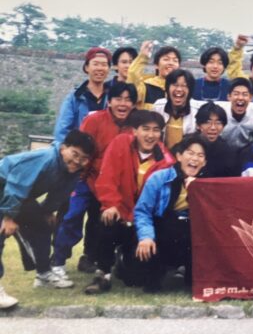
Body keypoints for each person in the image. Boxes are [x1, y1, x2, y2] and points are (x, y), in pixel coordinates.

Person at [0, 130, 95, 308]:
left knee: (43, 226)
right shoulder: (45, 158)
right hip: (6, 188)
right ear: (63, 148)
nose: (77, 161)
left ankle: (43, 274)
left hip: (19, 196)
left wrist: (47, 211)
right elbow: (16, 185)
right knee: (1, 233)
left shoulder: (73, 170)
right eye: (75, 154)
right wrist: (8, 217)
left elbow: (59, 194)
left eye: (83, 158)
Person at [52, 82, 138, 278]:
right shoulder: (94, 120)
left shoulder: (136, 126)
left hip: (115, 185)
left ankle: (95, 259)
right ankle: (57, 261)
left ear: (134, 104)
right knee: (72, 216)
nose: (123, 104)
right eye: (118, 99)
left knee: (105, 222)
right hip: (87, 178)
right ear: (110, 101)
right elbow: (82, 150)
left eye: (128, 100)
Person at [87, 110, 174, 294]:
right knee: (107, 219)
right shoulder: (120, 144)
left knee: (134, 280)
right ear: (134, 131)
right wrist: (111, 205)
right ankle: (102, 273)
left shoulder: (166, 161)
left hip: (142, 222)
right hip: (120, 213)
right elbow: (107, 178)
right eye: (145, 129)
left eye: (156, 130)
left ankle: (123, 261)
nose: (150, 135)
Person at [134, 135, 207, 292]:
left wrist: (195, 190)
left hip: (190, 232)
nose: (195, 159)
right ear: (179, 156)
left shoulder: (206, 184)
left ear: (205, 162)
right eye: (190, 153)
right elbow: (143, 211)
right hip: (162, 230)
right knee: (139, 280)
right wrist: (146, 237)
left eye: (200, 155)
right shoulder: (159, 178)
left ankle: (187, 274)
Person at [54, 47, 112, 142]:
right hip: (80, 148)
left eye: (104, 65)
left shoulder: (113, 97)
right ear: (86, 67)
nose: (100, 68)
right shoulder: (74, 98)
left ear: (109, 69)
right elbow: (62, 131)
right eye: (95, 64)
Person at [152, 69, 205, 149]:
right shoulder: (158, 106)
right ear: (167, 88)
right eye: (175, 85)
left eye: (184, 86)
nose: (179, 89)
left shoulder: (198, 110)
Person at [127, 40, 181, 110]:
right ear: (156, 65)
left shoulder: (182, 90)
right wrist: (143, 57)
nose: (171, 63)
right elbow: (132, 75)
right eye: (166, 59)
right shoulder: (146, 87)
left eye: (175, 60)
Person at [216, 78, 253, 151]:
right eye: (236, 94)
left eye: (245, 94)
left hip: (249, 151)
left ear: (251, 97)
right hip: (222, 150)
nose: (240, 98)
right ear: (229, 97)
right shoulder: (218, 111)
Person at [194, 102, 239, 178]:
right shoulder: (186, 146)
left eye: (218, 123)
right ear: (198, 125)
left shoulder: (229, 152)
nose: (213, 128)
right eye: (208, 122)